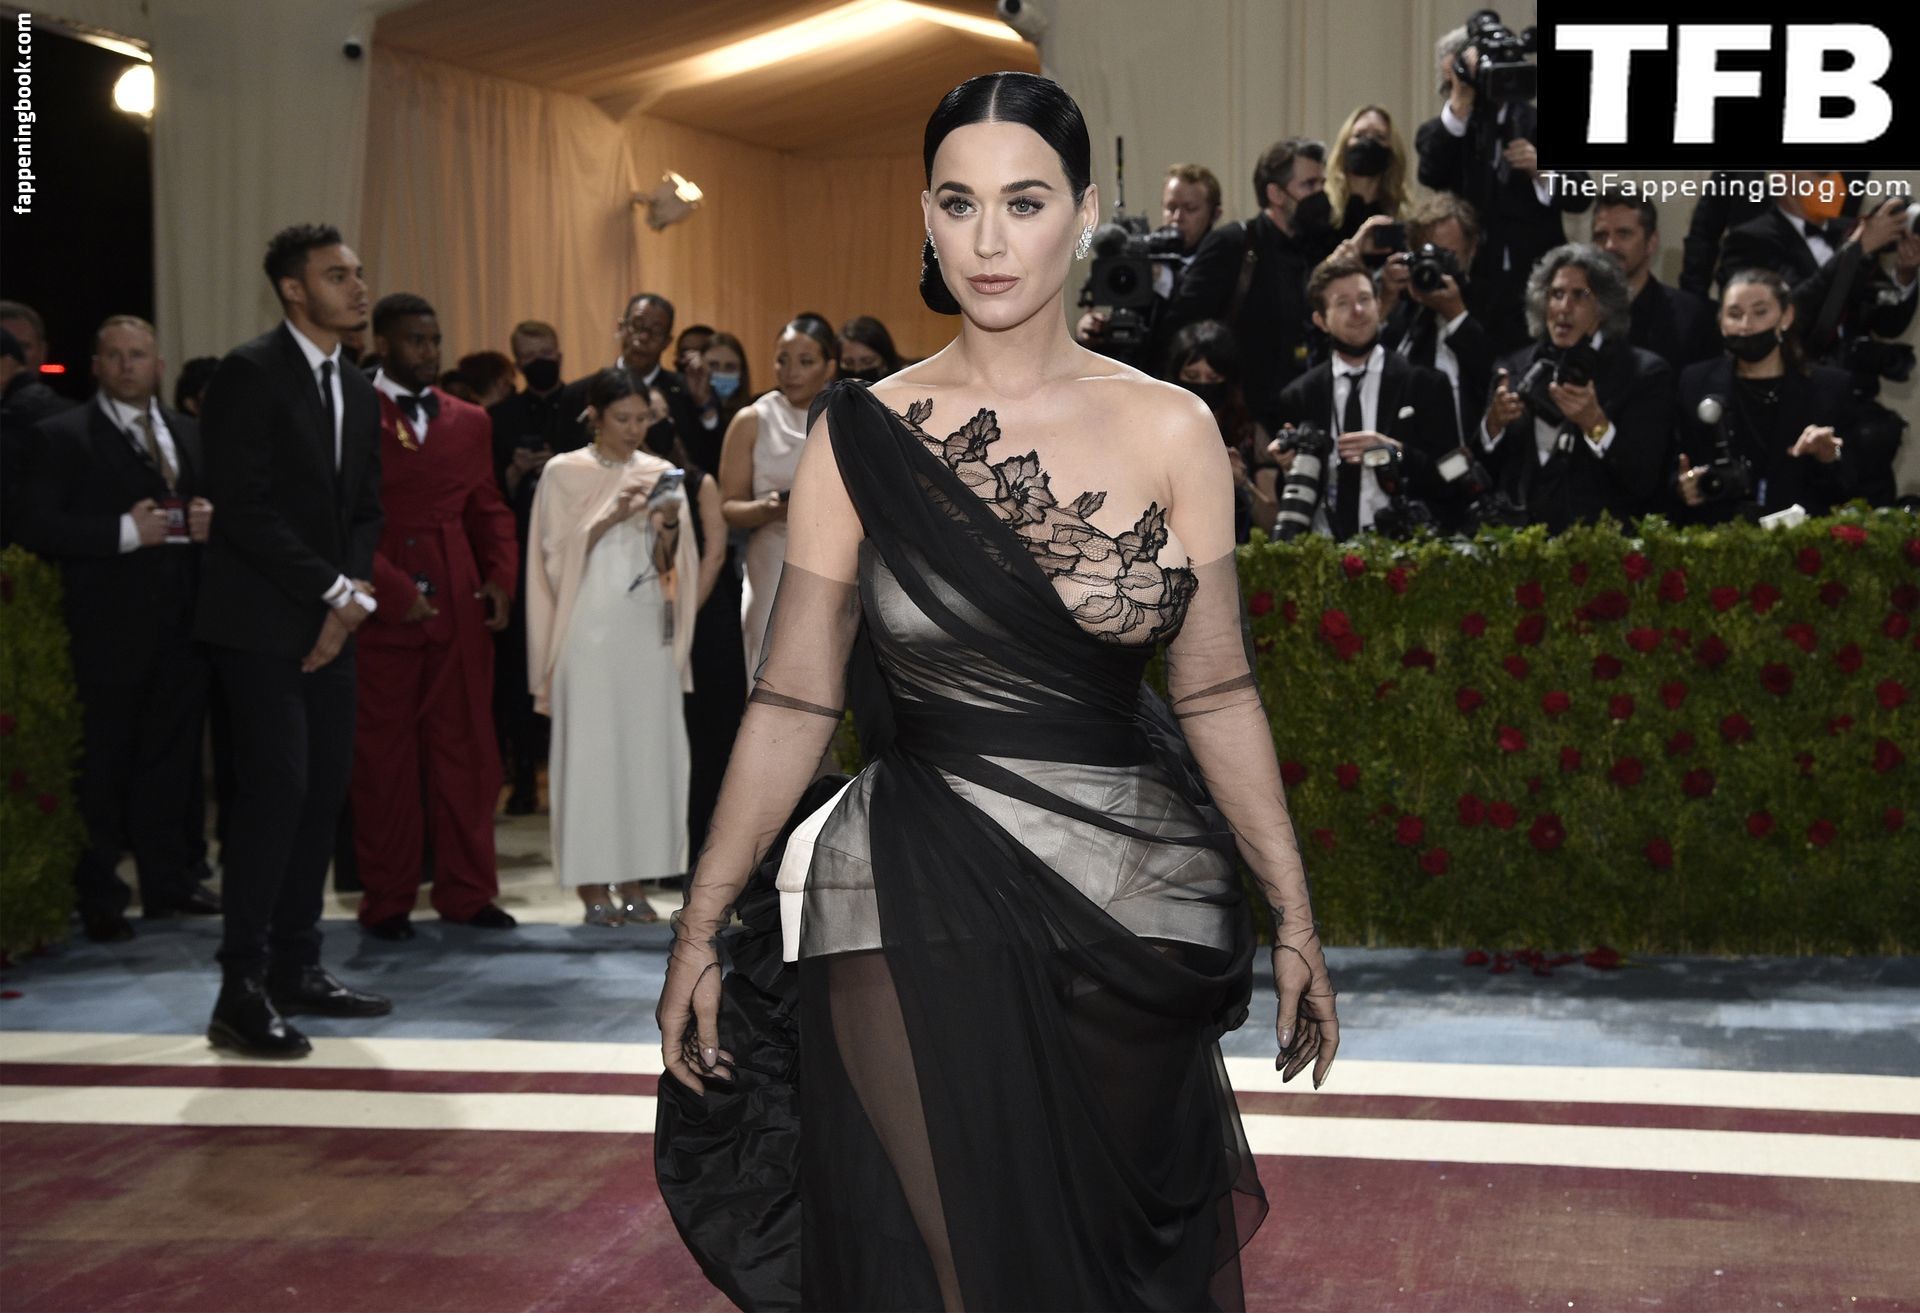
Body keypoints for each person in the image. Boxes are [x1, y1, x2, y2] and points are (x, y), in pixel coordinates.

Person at [653, 71, 1338, 1312]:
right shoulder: (863, 433)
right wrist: (699, 925)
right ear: (926, 215)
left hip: (1136, 893)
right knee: (964, 1273)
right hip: (911, 877)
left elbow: (1218, 689)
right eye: (959, 204)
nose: (988, 240)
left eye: (1024, 202)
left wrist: (1294, 914)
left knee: (1096, 1268)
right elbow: (794, 698)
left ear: (1085, 212)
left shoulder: (1173, 428)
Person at [193, 223, 391, 1058]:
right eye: (337, 275)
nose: (357, 286)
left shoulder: (353, 383)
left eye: (357, 272)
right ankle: (239, 987)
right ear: (293, 289)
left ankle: (296, 964)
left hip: (331, 623)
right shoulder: (249, 372)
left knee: (322, 793)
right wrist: (333, 591)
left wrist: (350, 599)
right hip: (257, 623)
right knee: (274, 793)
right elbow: (242, 507)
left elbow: (365, 510)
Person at [12, 315, 221, 942]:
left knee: (172, 766)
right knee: (102, 768)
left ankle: (167, 883)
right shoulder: (61, 436)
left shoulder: (191, 433)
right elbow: (34, 525)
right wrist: (125, 532)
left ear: (159, 365)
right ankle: (100, 895)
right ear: (96, 366)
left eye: (139, 354)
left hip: (186, 628)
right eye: (115, 355)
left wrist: (213, 520)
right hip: (104, 632)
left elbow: (220, 508)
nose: (128, 365)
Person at [351, 293, 520, 941]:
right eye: (414, 340)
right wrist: (392, 591)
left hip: (458, 599)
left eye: (434, 339)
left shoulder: (469, 420)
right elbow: (342, 515)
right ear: (384, 343)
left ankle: (468, 892)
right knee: (384, 758)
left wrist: (500, 576)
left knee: (467, 752)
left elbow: (488, 506)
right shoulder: (353, 411)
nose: (427, 351)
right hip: (380, 595)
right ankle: (387, 899)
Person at [527, 370, 702, 924]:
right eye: (622, 418)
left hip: (646, 629)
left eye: (642, 418)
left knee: (646, 752)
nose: (633, 429)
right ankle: (589, 884)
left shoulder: (660, 472)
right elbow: (550, 558)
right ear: (595, 416)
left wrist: (668, 526)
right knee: (590, 754)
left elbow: (675, 570)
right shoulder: (563, 472)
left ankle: (634, 879)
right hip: (586, 627)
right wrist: (609, 517)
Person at [1415, 24, 1591, 352]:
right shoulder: (1444, 131)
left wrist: (1543, 172)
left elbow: (1581, 195)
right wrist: (1460, 102)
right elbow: (1430, 173)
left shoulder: (1539, 124)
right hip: (1470, 284)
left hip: (1535, 284)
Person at [1478, 244, 1674, 534]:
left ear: (1604, 306)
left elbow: (1642, 480)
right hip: (1518, 542)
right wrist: (1492, 426)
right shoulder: (1512, 368)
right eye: (1556, 294)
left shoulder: (1643, 374)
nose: (1564, 308)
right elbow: (1481, 473)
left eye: (1579, 295)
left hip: (1597, 544)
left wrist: (1595, 424)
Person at [1274, 258, 1460, 538]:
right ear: (1321, 320)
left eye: (1364, 299)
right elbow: (1290, 497)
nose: (1358, 311)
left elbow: (1453, 476)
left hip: (1409, 548)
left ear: (1378, 304)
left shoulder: (1425, 384)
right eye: (1343, 304)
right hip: (1325, 549)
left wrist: (1396, 453)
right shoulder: (1300, 395)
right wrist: (1288, 468)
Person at [1163, 137, 1339, 423]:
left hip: (1302, 413)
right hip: (1241, 418)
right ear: (1276, 193)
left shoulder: (1318, 250)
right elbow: (1182, 331)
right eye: (1309, 185)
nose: (1319, 195)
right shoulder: (1233, 244)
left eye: (1322, 184)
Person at [1673, 269, 1861, 524]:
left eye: (1760, 312)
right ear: (1721, 322)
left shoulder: (1830, 387)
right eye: (1734, 314)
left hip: (1803, 538)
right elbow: (1673, 463)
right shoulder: (1694, 382)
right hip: (1719, 534)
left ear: (1786, 316)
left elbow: (1852, 484)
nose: (1746, 325)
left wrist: (1829, 457)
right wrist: (1683, 486)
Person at [718, 312, 837, 679]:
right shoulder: (753, 418)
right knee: (768, 660)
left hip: (834, 553)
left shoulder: (843, 416)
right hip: (772, 551)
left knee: (827, 664)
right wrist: (767, 508)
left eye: (805, 361)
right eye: (782, 360)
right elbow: (729, 506)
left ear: (829, 366)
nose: (790, 372)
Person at [489, 319, 569, 814]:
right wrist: (514, 472)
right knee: (518, 676)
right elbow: (485, 495)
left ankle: (568, 778)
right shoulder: (498, 418)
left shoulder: (582, 408)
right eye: (530, 355)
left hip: (574, 559)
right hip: (520, 556)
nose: (541, 361)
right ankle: (522, 778)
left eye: (548, 352)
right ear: (517, 361)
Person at [1377, 192, 1494, 442]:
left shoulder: (1493, 304)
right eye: (1428, 256)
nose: (1435, 268)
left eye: (1447, 256)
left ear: (1472, 249)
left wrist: (1456, 315)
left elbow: (1494, 375)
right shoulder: (1402, 307)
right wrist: (1385, 302)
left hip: (1470, 448)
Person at [559, 294, 723, 471]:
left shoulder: (689, 390)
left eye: (656, 331)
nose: (644, 337)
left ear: (667, 342)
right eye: (637, 325)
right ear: (621, 327)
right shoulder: (580, 393)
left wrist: (704, 404)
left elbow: (712, 458)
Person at [1163, 319, 1276, 540]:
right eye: (1192, 377)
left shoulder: (1250, 435)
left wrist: (1243, 485)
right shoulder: (1155, 430)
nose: (1203, 385)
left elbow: (1272, 525)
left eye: (1213, 378)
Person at [1589, 189, 1720, 370]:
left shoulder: (1690, 318)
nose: (1610, 245)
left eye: (1623, 234)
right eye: (1601, 236)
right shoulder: (1576, 309)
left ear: (1651, 243)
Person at [1326, 104, 1410, 242]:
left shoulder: (1400, 214)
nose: (1368, 142)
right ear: (1345, 144)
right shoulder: (1323, 208)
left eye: (1379, 137)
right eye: (1359, 135)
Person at [699, 331, 753, 432]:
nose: (721, 372)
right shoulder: (685, 409)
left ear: (741, 372)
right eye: (713, 365)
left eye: (730, 367)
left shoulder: (752, 413)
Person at [836, 315, 905, 382]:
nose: (858, 369)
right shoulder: (834, 387)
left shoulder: (905, 383)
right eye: (848, 363)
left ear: (885, 360)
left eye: (867, 361)